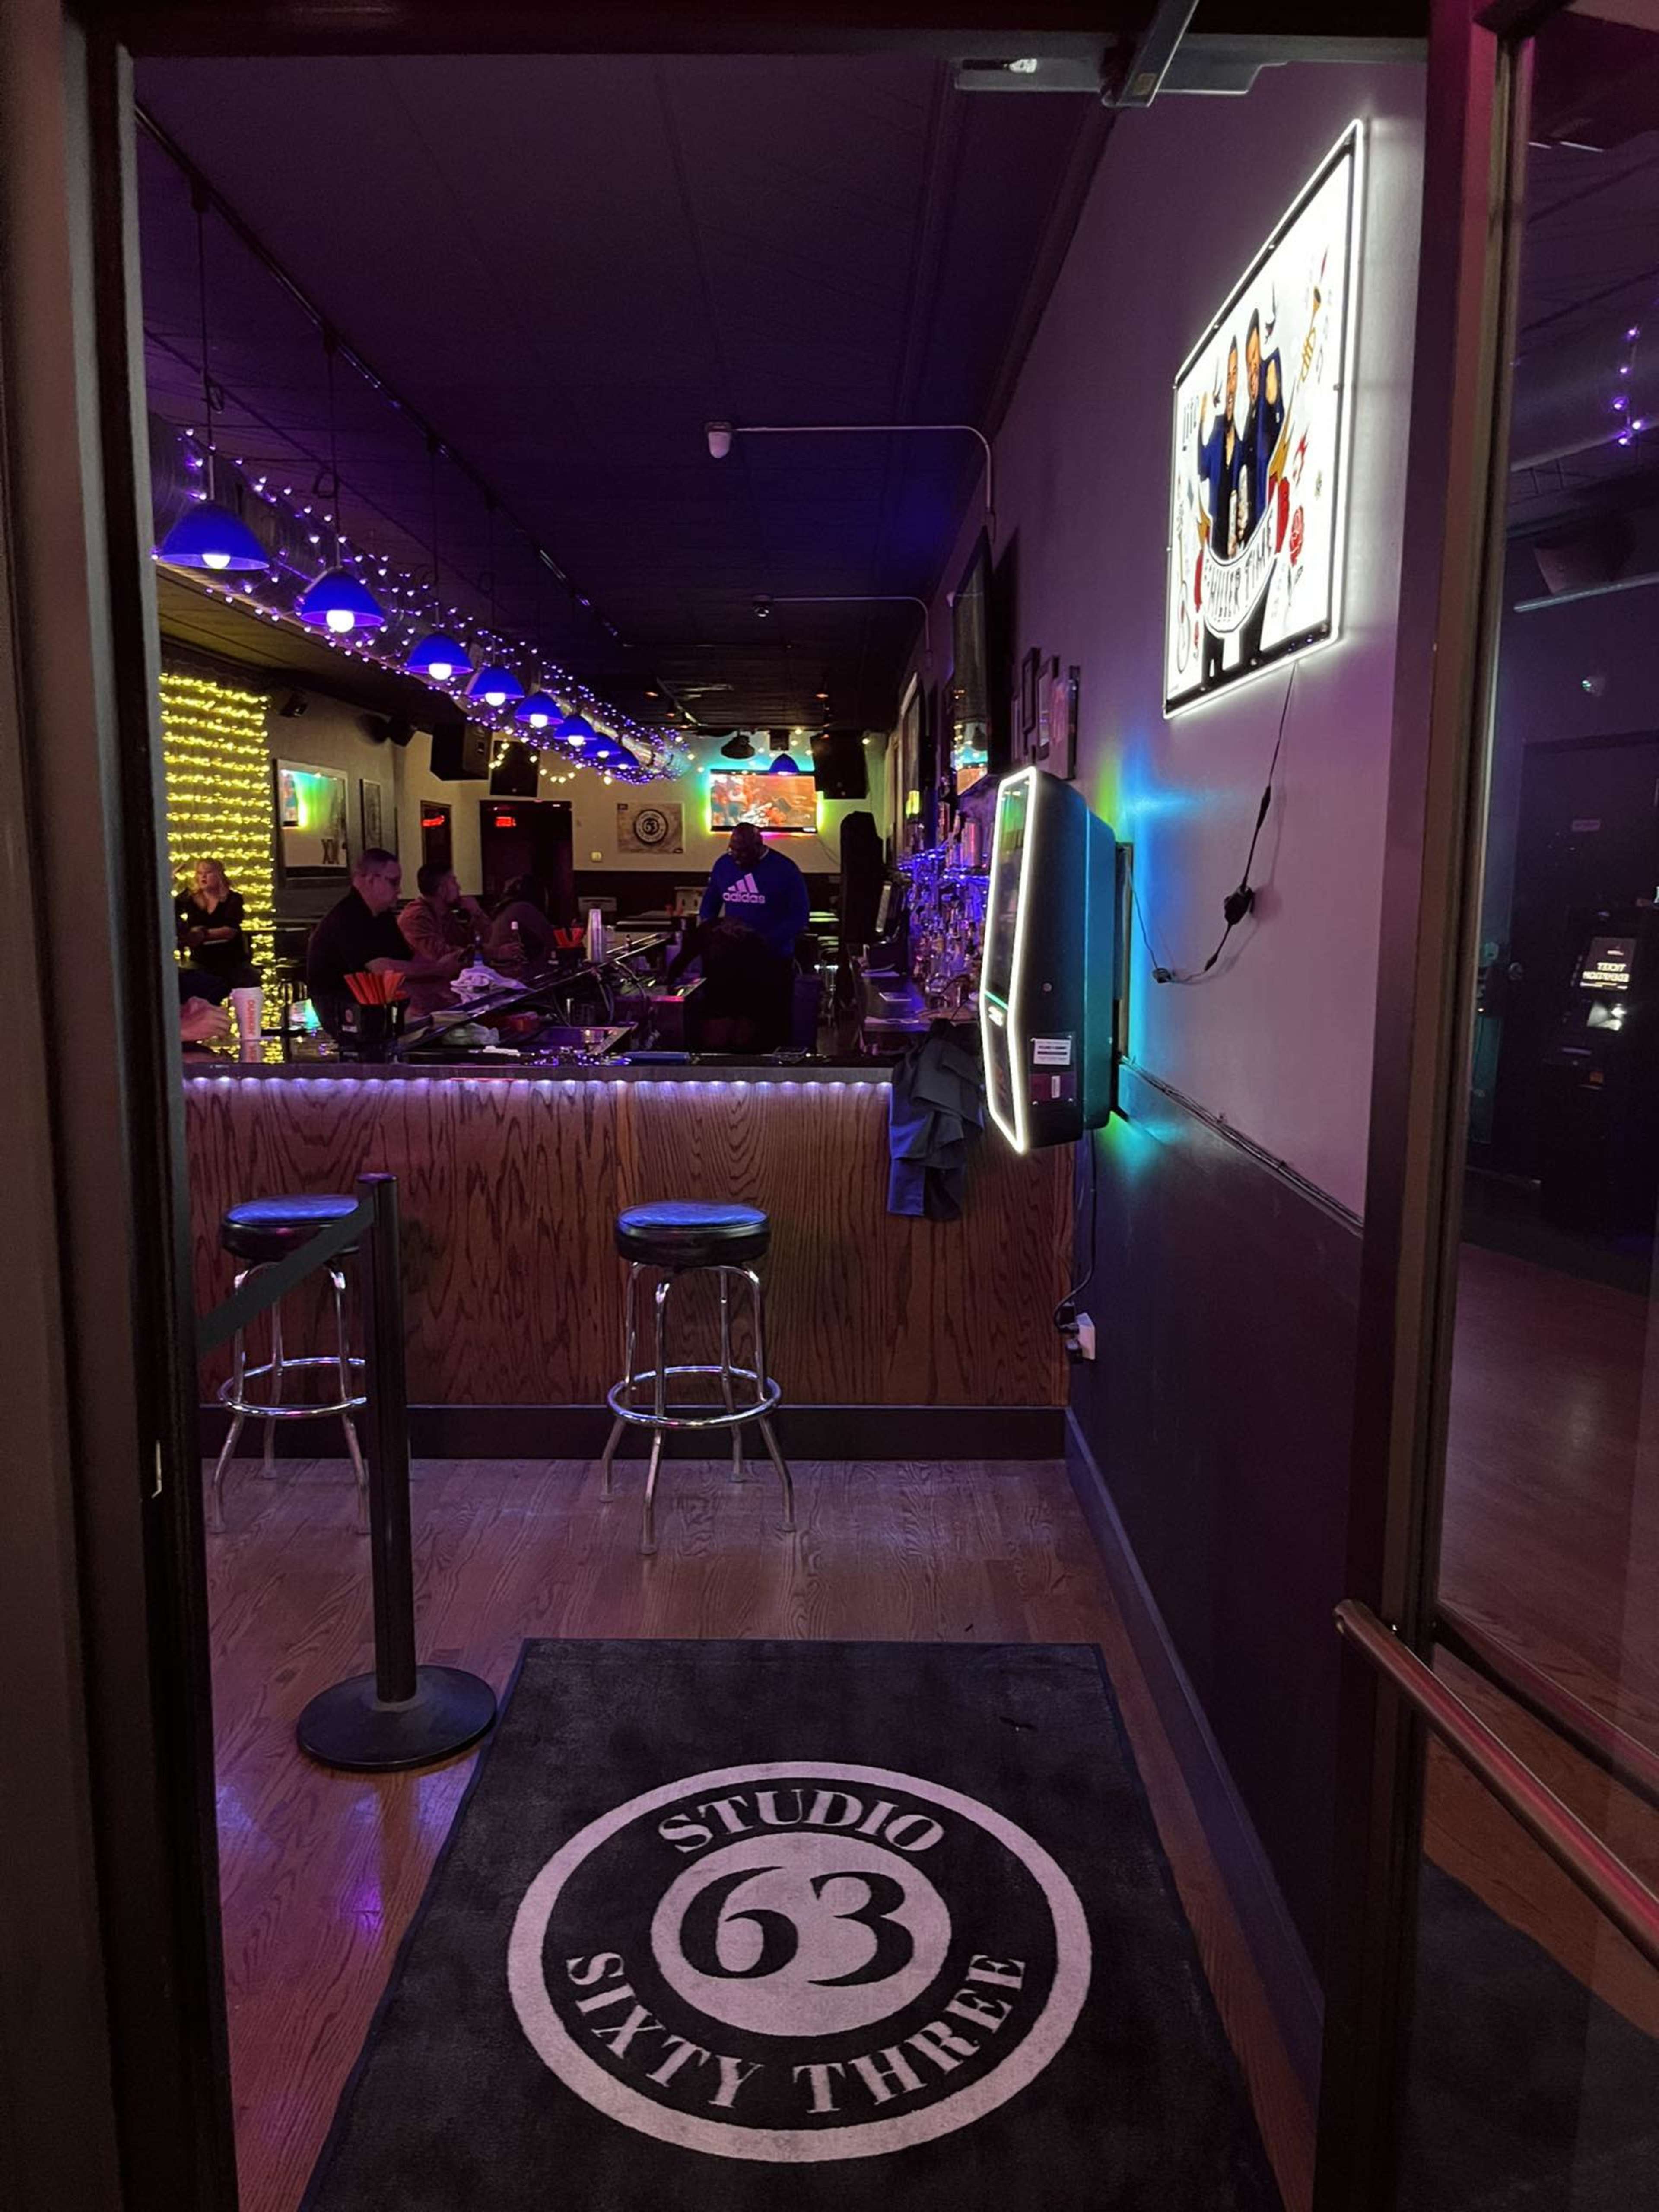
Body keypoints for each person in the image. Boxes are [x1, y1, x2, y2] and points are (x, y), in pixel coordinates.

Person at [306, 847, 459, 1038]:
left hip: (375, 1011)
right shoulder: (347, 917)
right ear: (370, 880)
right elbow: (380, 969)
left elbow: (408, 959)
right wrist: (438, 969)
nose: (400, 890)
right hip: (344, 1017)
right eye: (394, 883)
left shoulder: (382, 915)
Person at [698, 821, 810, 1049]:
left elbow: (800, 916)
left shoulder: (785, 870)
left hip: (772, 960)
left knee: (769, 1025)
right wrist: (716, 930)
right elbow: (709, 907)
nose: (737, 857)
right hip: (732, 960)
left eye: (744, 852)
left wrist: (764, 940)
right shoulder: (724, 865)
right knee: (729, 1020)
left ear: (760, 847)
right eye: (733, 850)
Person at [1195, 333, 1241, 689]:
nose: (1234, 385)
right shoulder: (1214, 437)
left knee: (1233, 599)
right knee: (1214, 602)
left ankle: (1227, 664)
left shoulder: (1246, 440)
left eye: (1237, 375)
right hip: (1215, 537)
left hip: (1237, 538)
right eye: (1230, 376)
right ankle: (1211, 668)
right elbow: (1200, 469)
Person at [399, 863, 487, 1011]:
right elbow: (443, 956)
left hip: (447, 993)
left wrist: (477, 913)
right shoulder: (416, 917)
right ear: (442, 889)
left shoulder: (446, 916)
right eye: (454, 881)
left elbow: (474, 945)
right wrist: (493, 953)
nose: (459, 888)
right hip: (422, 1001)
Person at [175, 857, 258, 996]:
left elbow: (230, 930)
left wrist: (202, 935)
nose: (203, 877)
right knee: (185, 981)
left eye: (208, 873)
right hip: (200, 959)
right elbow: (170, 909)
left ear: (219, 875)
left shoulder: (233, 899)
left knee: (248, 981)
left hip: (230, 960)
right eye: (200, 873)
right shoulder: (190, 899)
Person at [486, 874, 559, 975]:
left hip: (498, 969)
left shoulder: (507, 908)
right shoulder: (523, 908)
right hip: (512, 970)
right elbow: (551, 940)